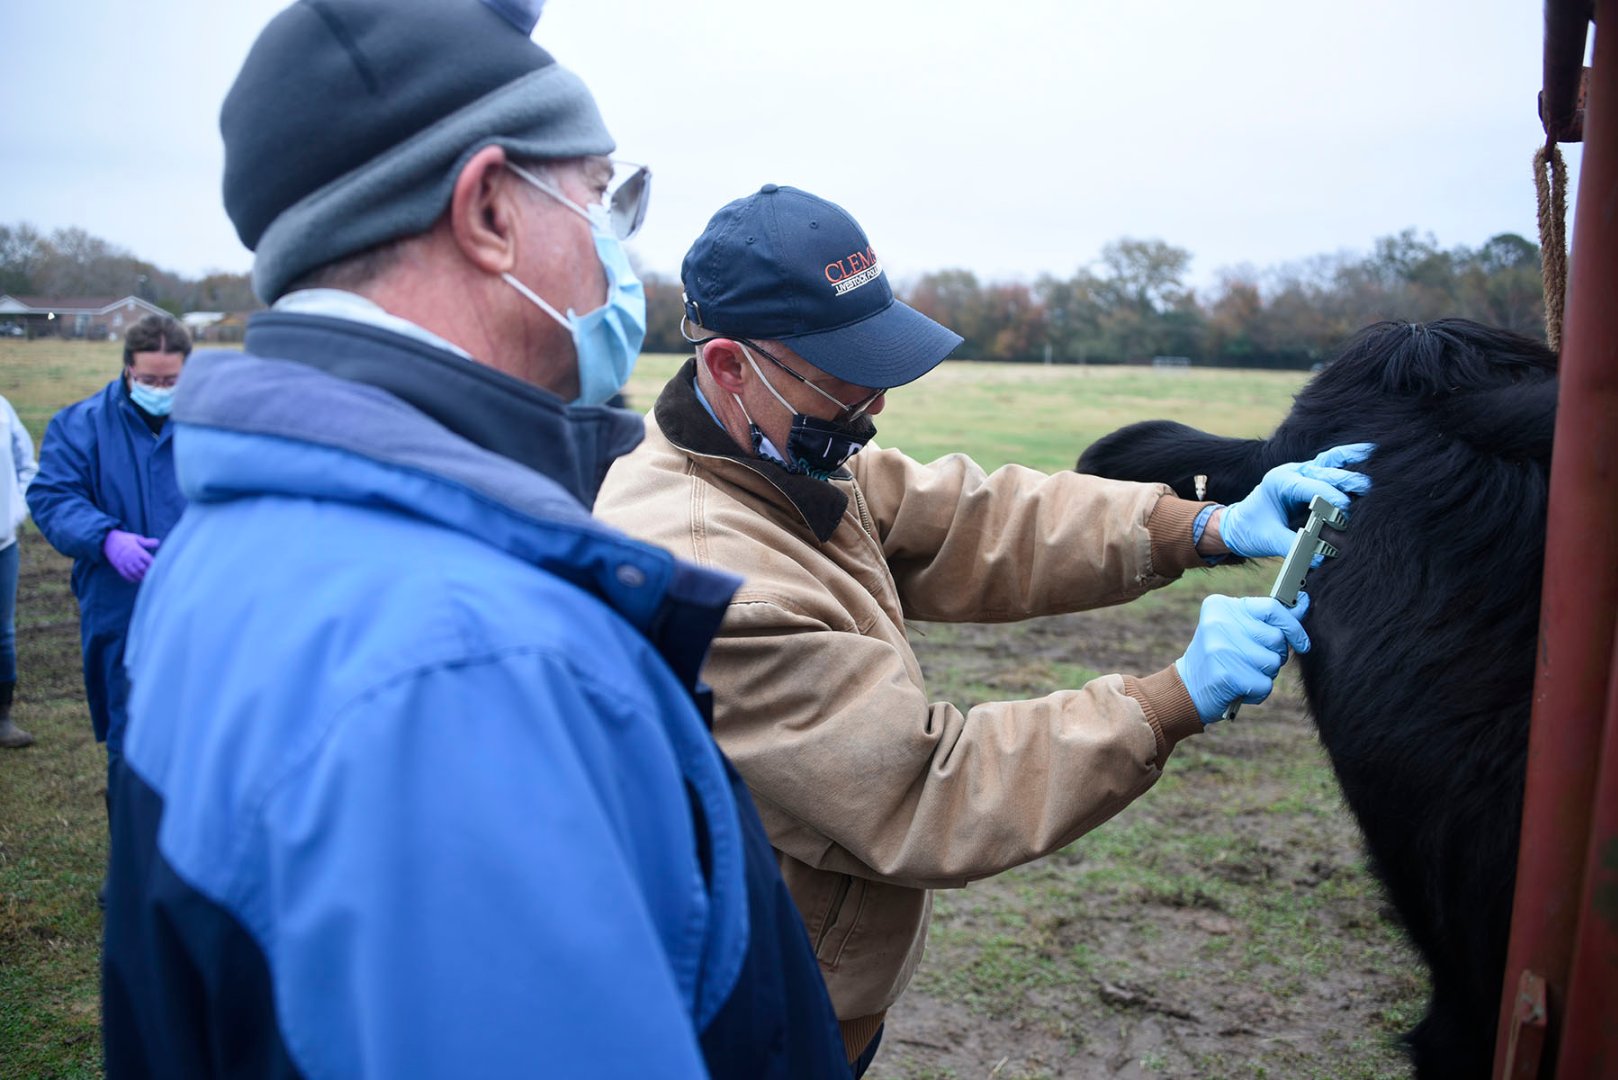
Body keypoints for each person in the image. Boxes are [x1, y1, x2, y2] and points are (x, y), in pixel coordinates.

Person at [100, 3, 848, 1078]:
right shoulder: (460, 662)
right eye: (601, 196)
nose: (617, 245)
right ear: (490, 210)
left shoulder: (254, 537)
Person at [592, 183, 1373, 1072]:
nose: (874, 404)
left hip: (804, 973)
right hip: (761, 1013)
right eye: (844, 373)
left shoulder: (777, 456)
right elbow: (923, 790)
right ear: (731, 365)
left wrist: (1202, 525)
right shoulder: (713, 570)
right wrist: (1165, 701)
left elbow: (973, 518)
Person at [26, 313, 189, 766]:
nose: (160, 389)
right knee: (132, 738)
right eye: (149, 379)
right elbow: (53, 496)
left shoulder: (212, 424)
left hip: (199, 601)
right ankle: (133, 830)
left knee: (201, 734)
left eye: (171, 379)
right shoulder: (80, 425)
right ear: (127, 369)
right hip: (120, 604)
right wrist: (105, 538)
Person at [0, 391, 38, 749]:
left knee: (3, 635)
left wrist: (16, 510)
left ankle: (2, 718)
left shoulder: (2, 408)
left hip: (2, 546)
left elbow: (26, 463)